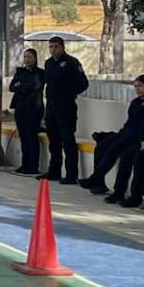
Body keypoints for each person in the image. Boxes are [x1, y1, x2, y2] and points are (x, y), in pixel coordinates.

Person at [79, 75, 144, 195]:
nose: (138, 89)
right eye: (136, 87)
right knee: (102, 145)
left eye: (140, 86)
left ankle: (96, 178)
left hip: (138, 136)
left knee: (116, 148)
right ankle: (98, 182)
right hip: (127, 132)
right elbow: (129, 121)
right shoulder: (136, 102)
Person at [40, 37, 90, 184]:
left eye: (56, 47)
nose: (53, 49)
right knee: (53, 141)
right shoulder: (49, 63)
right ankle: (54, 171)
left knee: (67, 140)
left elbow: (83, 83)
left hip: (66, 106)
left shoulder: (71, 63)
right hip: (51, 106)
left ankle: (71, 174)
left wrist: (68, 93)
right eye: (51, 47)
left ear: (62, 47)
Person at [9, 49, 46, 175]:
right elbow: (12, 87)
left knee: (31, 136)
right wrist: (22, 86)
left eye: (30, 57)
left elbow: (36, 86)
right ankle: (25, 164)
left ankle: (33, 165)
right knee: (23, 136)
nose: (27, 59)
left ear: (35, 58)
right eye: (25, 57)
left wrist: (22, 85)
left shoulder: (40, 73)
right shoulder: (20, 71)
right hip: (21, 106)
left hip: (34, 107)